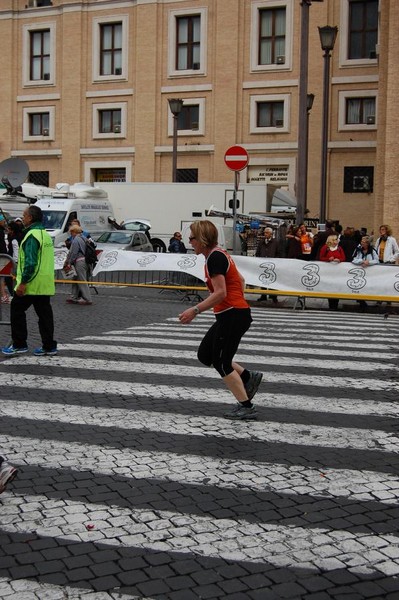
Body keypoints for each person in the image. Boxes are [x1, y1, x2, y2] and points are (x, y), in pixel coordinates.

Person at [178, 220, 262, 421]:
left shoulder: (215, 258)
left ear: (202, 239)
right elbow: (240, 281)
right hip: (233, 313)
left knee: (222, 363)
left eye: (192, 238)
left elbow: (221, 292)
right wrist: (238, 301)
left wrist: (195, 310)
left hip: (233, 315)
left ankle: (246, 406)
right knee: (206, 355)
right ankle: (248, 377)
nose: (189, 242)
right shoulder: (218, 254)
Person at [1, 205, 57, 356]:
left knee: (17, 309)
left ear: (30, 218)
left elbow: (31, 262)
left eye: (24, 215)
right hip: (45, 282)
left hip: (31, 283)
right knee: (45, 315)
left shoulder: (32, 236)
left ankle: (19, 344)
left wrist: (23, 283)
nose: (23, 218)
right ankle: (49, 345)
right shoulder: (44, 234)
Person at [63, 224, 92, 305]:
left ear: (73, 232)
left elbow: (74, 252)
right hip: (84, 261)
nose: (70, 234)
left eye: (71, 232)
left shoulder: (76, 240)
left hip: (79, 262)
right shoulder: (84, 238)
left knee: (81, 280)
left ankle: (87, 298)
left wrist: (69, 262)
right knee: (76, 279)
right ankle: (74, 296)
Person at [319, 234, 346, 310]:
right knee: (330, 287)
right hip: (328, 272)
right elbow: (321, 258)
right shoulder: (325, 248)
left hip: (338, 273)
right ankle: (331, 305)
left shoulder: (339, 248)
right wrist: (328, 259)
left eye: (337, 240)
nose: (336, 241)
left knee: (336, 287)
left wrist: (339, 260)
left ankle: (336, 305)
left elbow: (344, 258)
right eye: (335, 240)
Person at [255, 227, 279, 303]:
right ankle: (263, 295)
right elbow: (258, 252)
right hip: (263, 263)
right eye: (265, 232)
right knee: (263, 280)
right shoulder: (261, 242)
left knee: (273, 280)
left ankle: (273, 296)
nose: (265, 234)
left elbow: (279, 252)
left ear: (271, 234)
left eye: (267, 233)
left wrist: (276, 260)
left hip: (272, 263)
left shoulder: (275, 242)